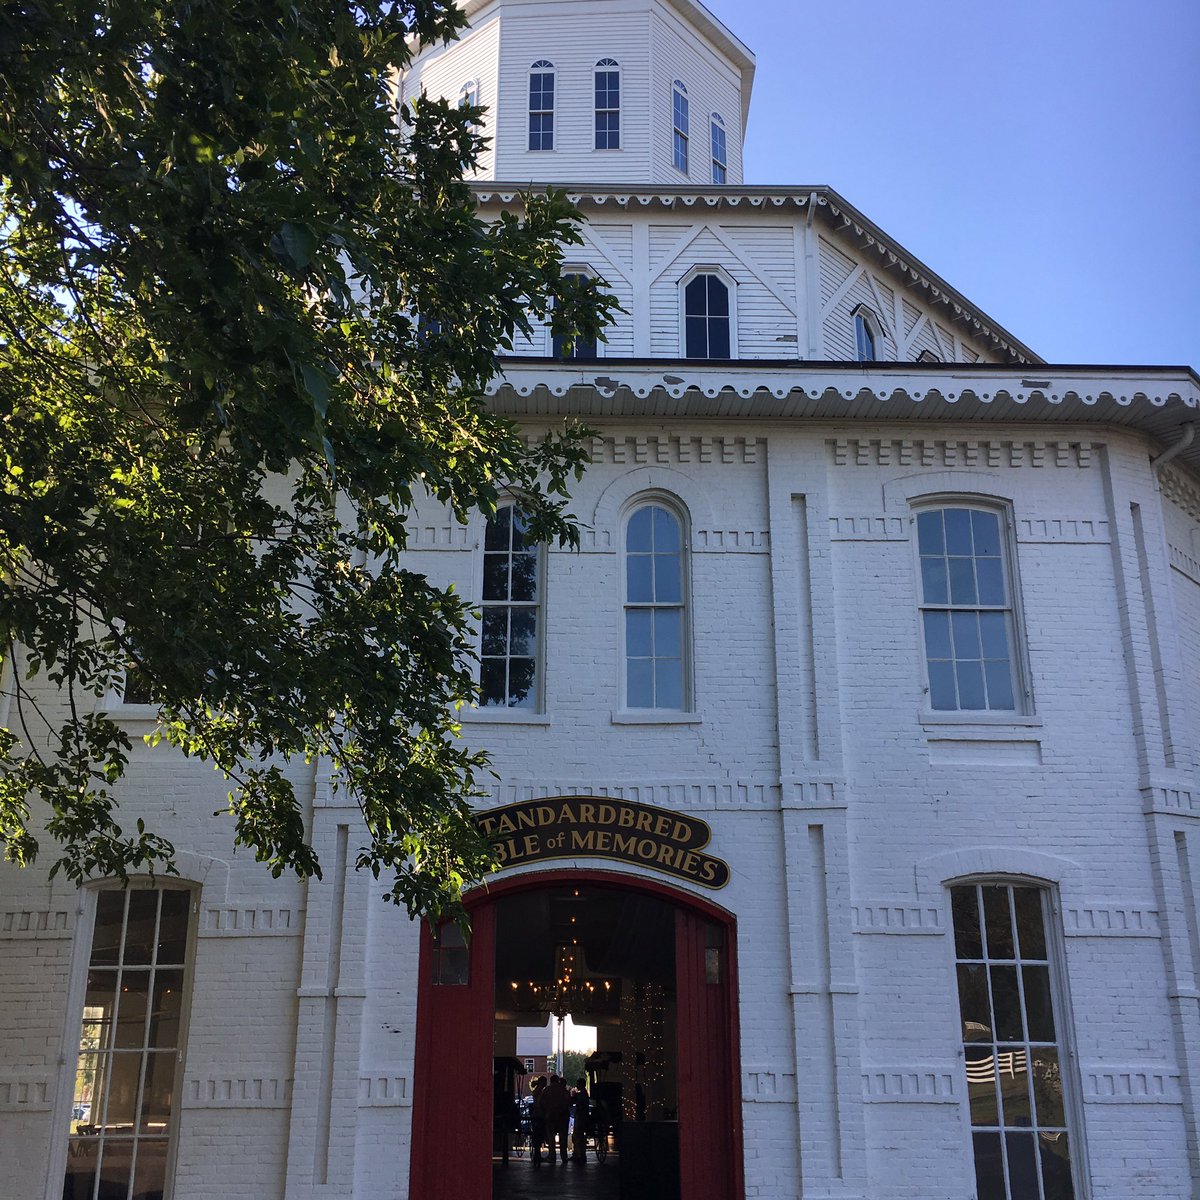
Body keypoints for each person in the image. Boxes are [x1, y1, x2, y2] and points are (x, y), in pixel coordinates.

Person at [540, 1073, 572, 1164]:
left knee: (551, 1137)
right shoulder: (563, 1090)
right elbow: (569, 1102)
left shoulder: (547, 1090)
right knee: (563, 1137)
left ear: (551, 1081)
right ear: (558, 1081)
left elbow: (541, 1102)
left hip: (551, 1115)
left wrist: (546, 1110)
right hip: (563, 1115)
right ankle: (564, 1156)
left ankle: (552, 1156)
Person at [570, 1078, 591, 1163]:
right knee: (579, 1135)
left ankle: (578, 1154)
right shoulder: (584, 1094)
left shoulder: (581, 1095)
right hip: (582, 1116)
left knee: (578, 1135)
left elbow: (575, 1101)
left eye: (578, 1084)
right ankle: (579, 1153)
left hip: (580, 1117)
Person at [530, 1076, 548, 1166]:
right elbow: (539, 1103)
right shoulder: (540, 1091)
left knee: (538, 1135)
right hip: (539, 1115)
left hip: (537, 1114)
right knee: (539, 1135)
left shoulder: (537, 1090)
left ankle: (537, 1155)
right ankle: (537, 1155)